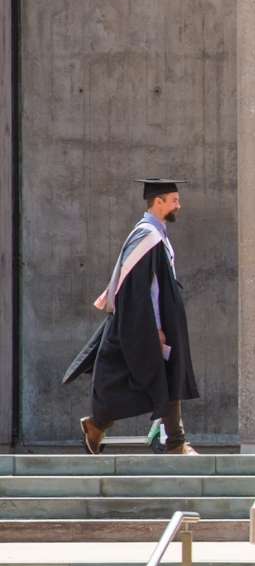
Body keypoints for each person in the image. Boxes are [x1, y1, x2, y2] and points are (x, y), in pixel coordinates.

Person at [79, 178, 200, 455]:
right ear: (158, 202)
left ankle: (172, 441)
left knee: (166, 378)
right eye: (174, 200)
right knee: (148, 379)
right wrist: (154, 328)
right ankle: (171, 441)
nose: (179, 205)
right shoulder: (147, 236)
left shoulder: (157, 234)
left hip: (158, 324)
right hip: (145, 326)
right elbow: (141, 290)